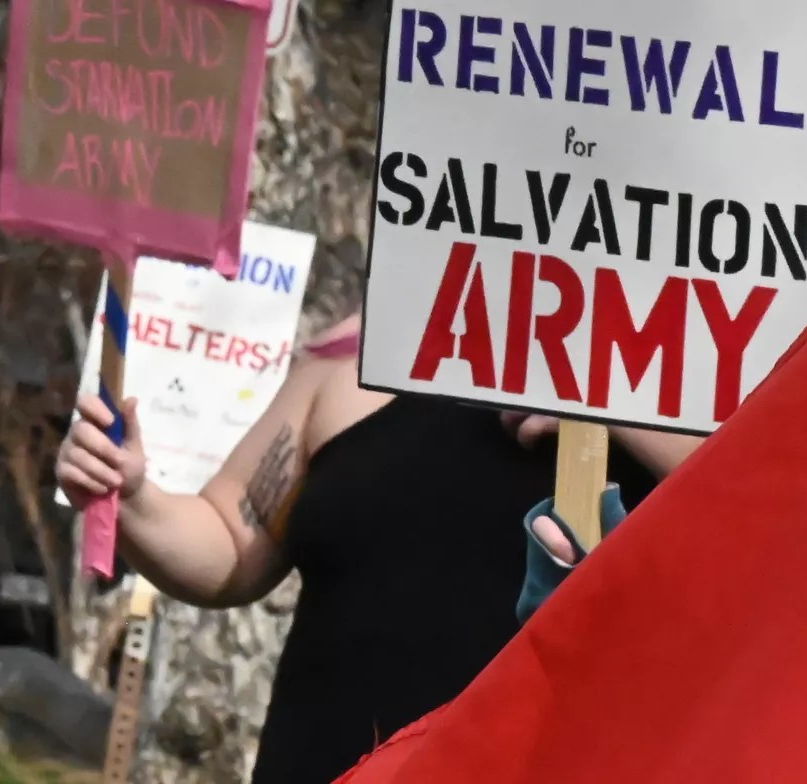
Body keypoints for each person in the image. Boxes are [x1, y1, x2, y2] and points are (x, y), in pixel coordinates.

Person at [56, 317, 697, 784]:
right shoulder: (353, 353)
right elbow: (229, 539)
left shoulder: (687, 366)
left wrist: (628, 404)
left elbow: (776, 520)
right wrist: (132, 494)